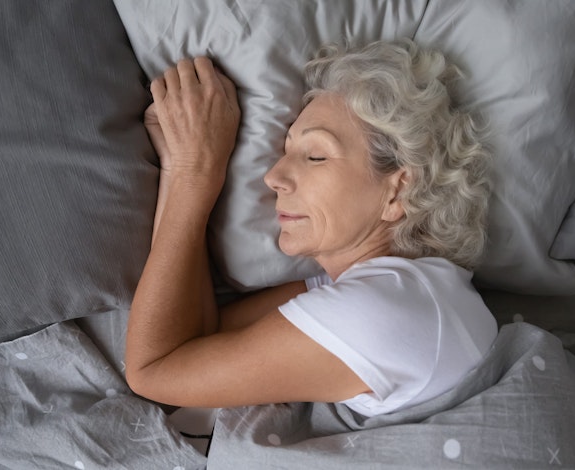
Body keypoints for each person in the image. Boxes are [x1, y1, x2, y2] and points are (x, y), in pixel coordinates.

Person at [125, 39, 498, 417]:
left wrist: (195, 174)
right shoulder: (401, 289)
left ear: (397, 190)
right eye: (286, 152)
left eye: (316, 155)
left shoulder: (376, 312)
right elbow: (200, 340)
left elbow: (155, 371)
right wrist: (178, 168)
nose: (274, 177)